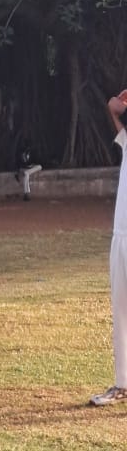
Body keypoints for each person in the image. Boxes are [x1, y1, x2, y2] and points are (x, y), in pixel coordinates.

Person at [89, 90, 127, 406]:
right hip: (121, 237)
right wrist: (113, 111)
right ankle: (122, 383)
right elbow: (118, 121)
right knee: (120, 309)